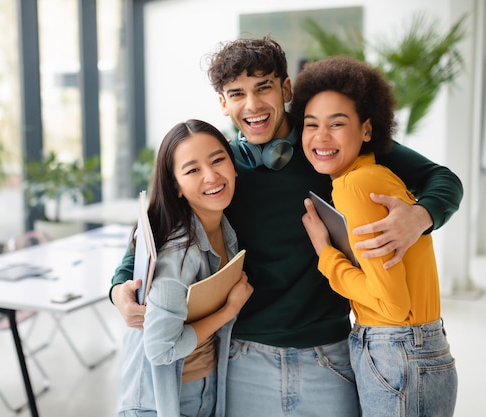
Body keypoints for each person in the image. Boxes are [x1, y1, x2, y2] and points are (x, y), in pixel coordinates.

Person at [111, 36, 463, 416]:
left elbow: (442, 179)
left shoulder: (329, 143)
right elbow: (159, 228)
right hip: (243, 359)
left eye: (264, 87)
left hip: (330, 358)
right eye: (237, 94)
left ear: (286, 88)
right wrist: (119, 288)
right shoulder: (221, 168)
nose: (253, 104)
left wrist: (421, 216)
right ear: (223, 104)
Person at [295, 56, 457, 417]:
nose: (321, 137)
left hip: (396, 350)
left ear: (367, 130)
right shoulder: (370, 175)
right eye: (311, 125)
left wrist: (326, 253)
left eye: (337, 124)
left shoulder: (356, 186)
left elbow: (392, 306)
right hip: (413, 349)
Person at [117, 119, 254, 417]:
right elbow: (160, 349)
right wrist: (229, 310)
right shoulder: (180, 252)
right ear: (176, 186)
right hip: (159, 401)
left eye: (218, 160)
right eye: (192, 170)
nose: (211, 176)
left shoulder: (225, 229)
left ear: (233, 165)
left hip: (202, 388)